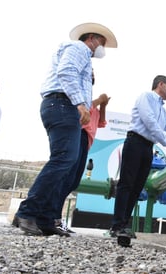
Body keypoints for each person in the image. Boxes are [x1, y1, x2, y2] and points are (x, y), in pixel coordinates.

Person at [14, 22, 118, 237]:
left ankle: (45, 219)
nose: (102, 48)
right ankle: (28, 211)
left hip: (61, 106)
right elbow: (67, 72)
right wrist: (81, 103)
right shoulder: (79, 48)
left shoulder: (83, 57)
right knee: (63, 160)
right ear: (90, 38)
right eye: (102, 42)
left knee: (66, 163)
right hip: (62, 104)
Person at [110, 75, 166, 242]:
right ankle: (116, 226)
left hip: (148, 147)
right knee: (126, 184)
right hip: (135, 142)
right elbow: (149, 121)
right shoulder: (146, 97)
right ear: (161, 84)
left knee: (137, 188)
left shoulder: (162, 108)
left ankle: (123, 224)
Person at [54, 89, 110, 233]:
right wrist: (99, 99)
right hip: (78, 135)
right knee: (65, 178)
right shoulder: (82, 100)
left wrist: (103, 105)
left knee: (73, 181)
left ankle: (56, 217)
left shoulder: (96, 109)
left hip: (86, 142)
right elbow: (85, 108)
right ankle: (54, 217)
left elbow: (102, 122)